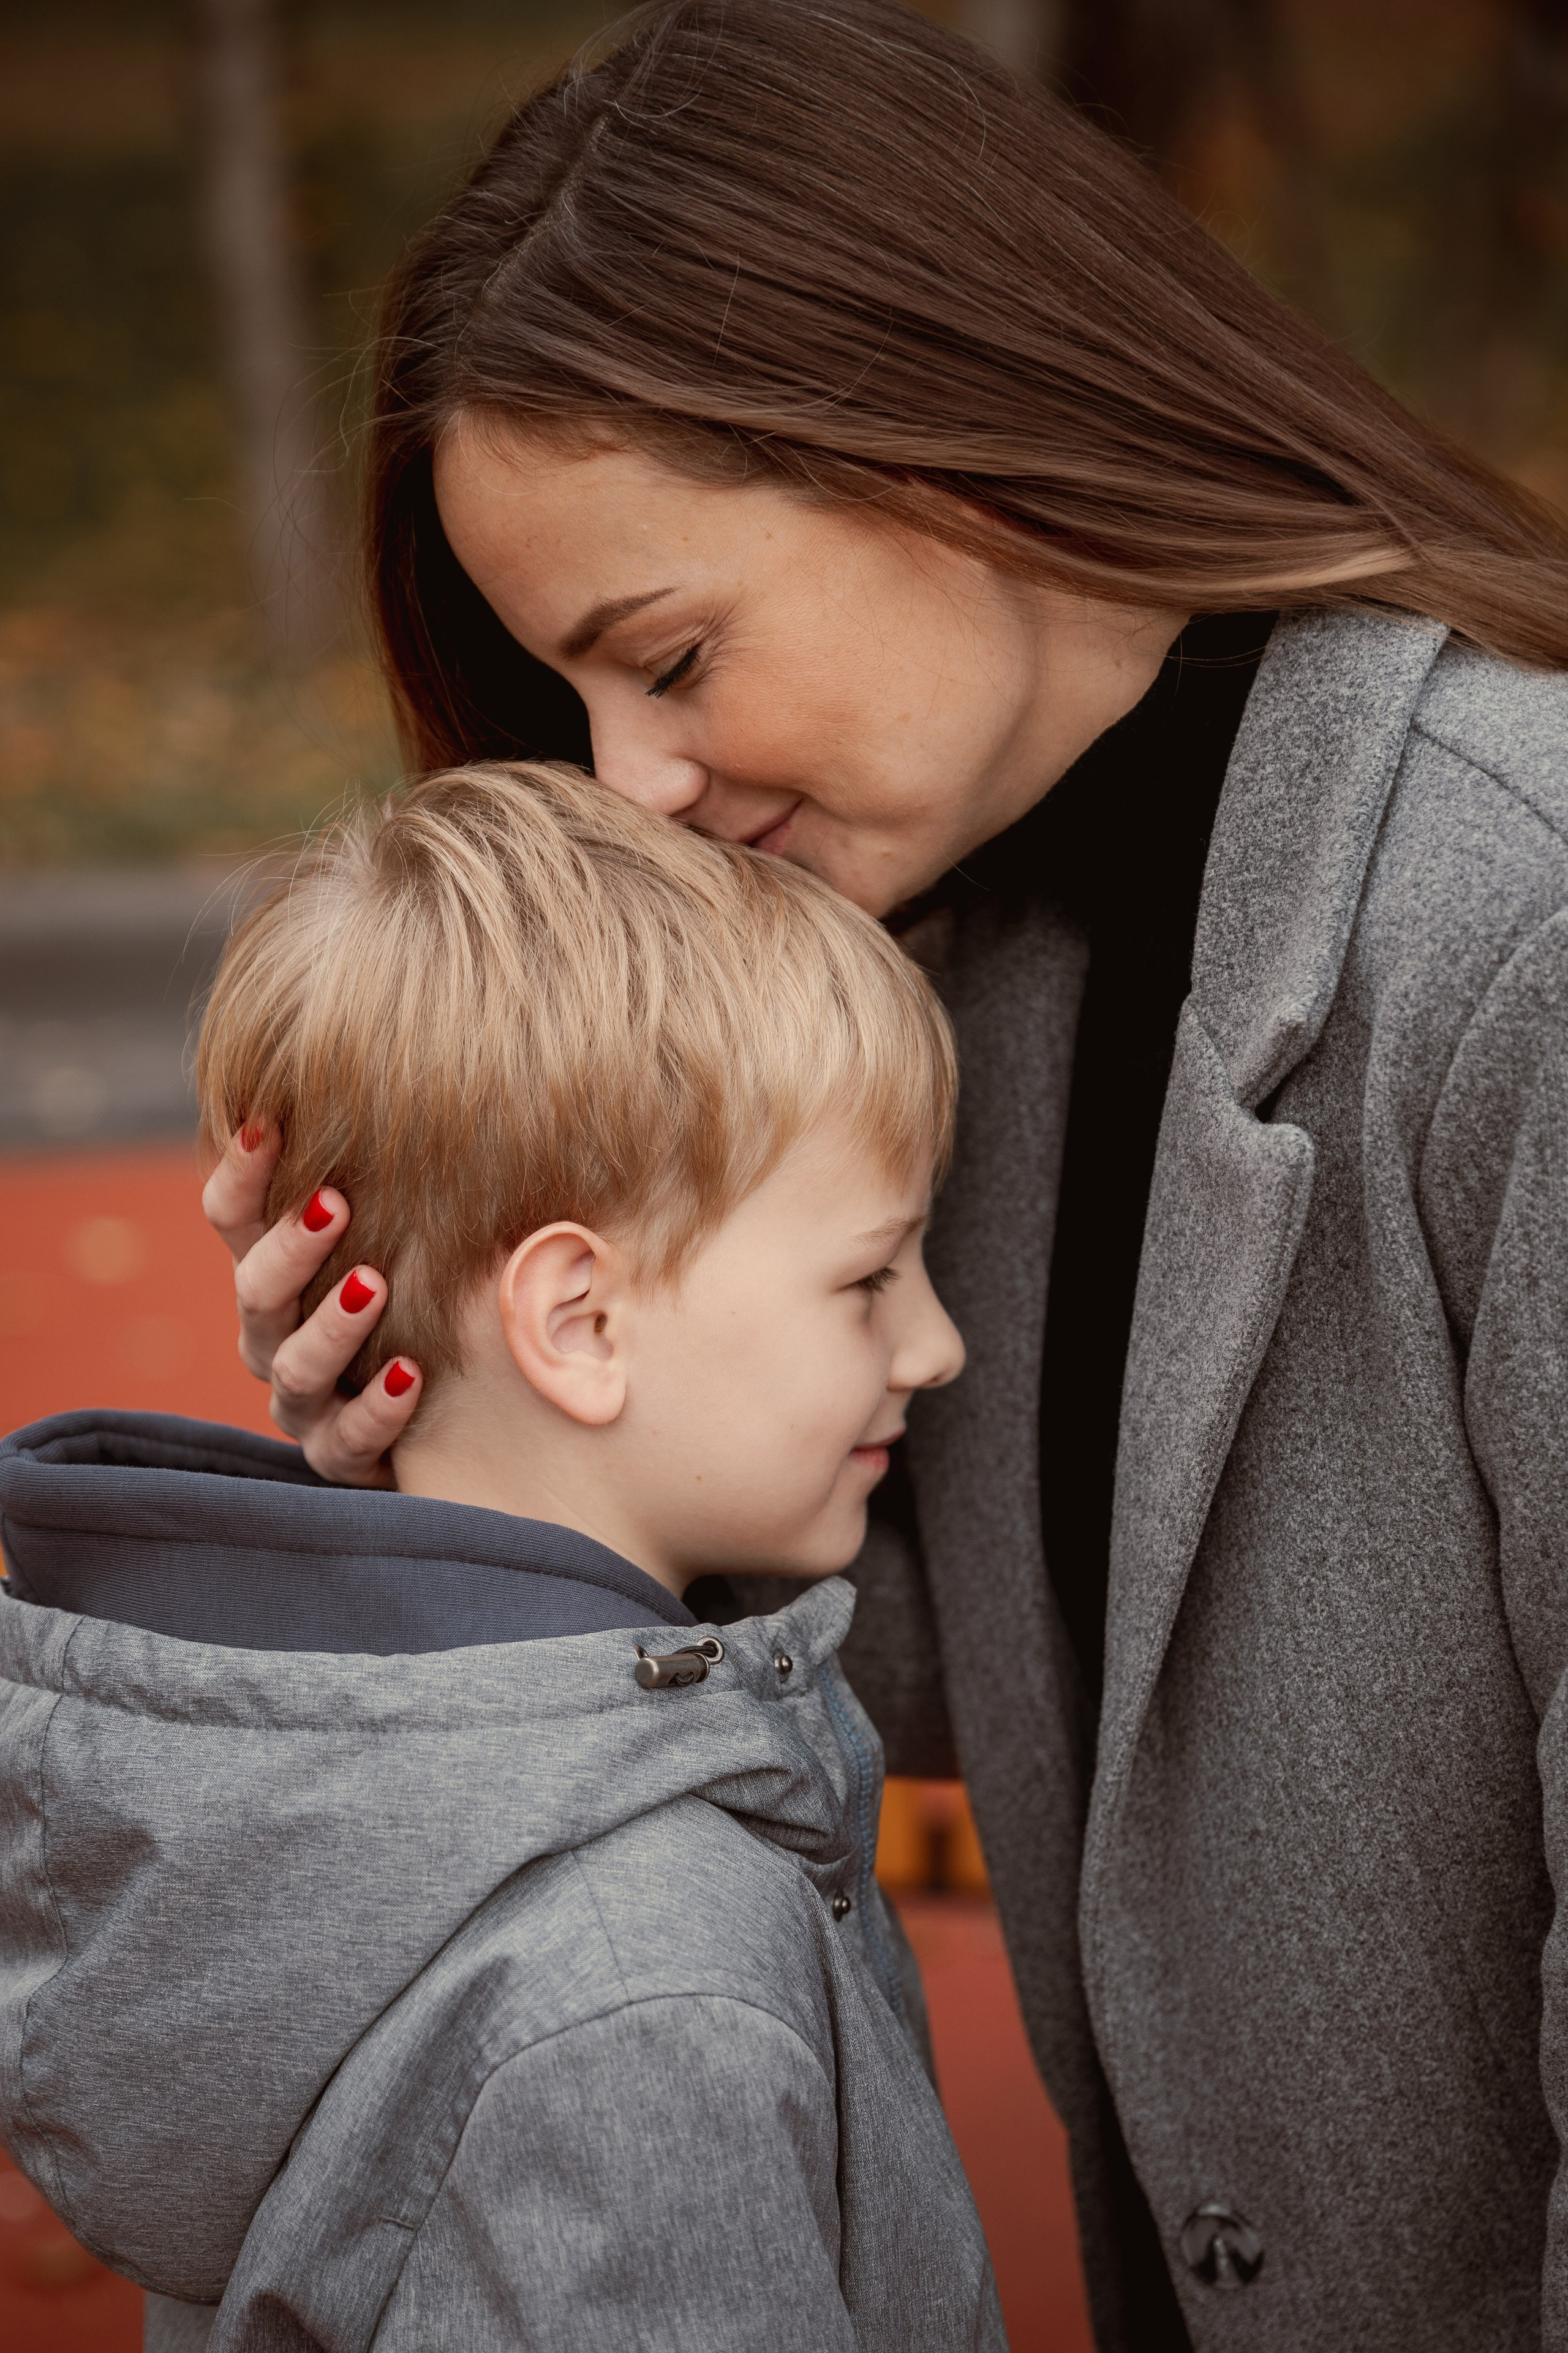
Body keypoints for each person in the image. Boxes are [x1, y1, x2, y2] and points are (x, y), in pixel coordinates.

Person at [204, 1, 1568, 2344]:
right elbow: (960, 1692)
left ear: (940, 436)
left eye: (671, 652)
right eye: (575, 700)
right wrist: (528, 1481)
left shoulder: (1518, 921)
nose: (632, 780)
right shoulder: (942, 959)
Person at [0, 764, 997, 2352]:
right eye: (870, 1276)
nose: (935, 1344)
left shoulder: (340, 1795)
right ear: (579, 1321)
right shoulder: (639, 1979)